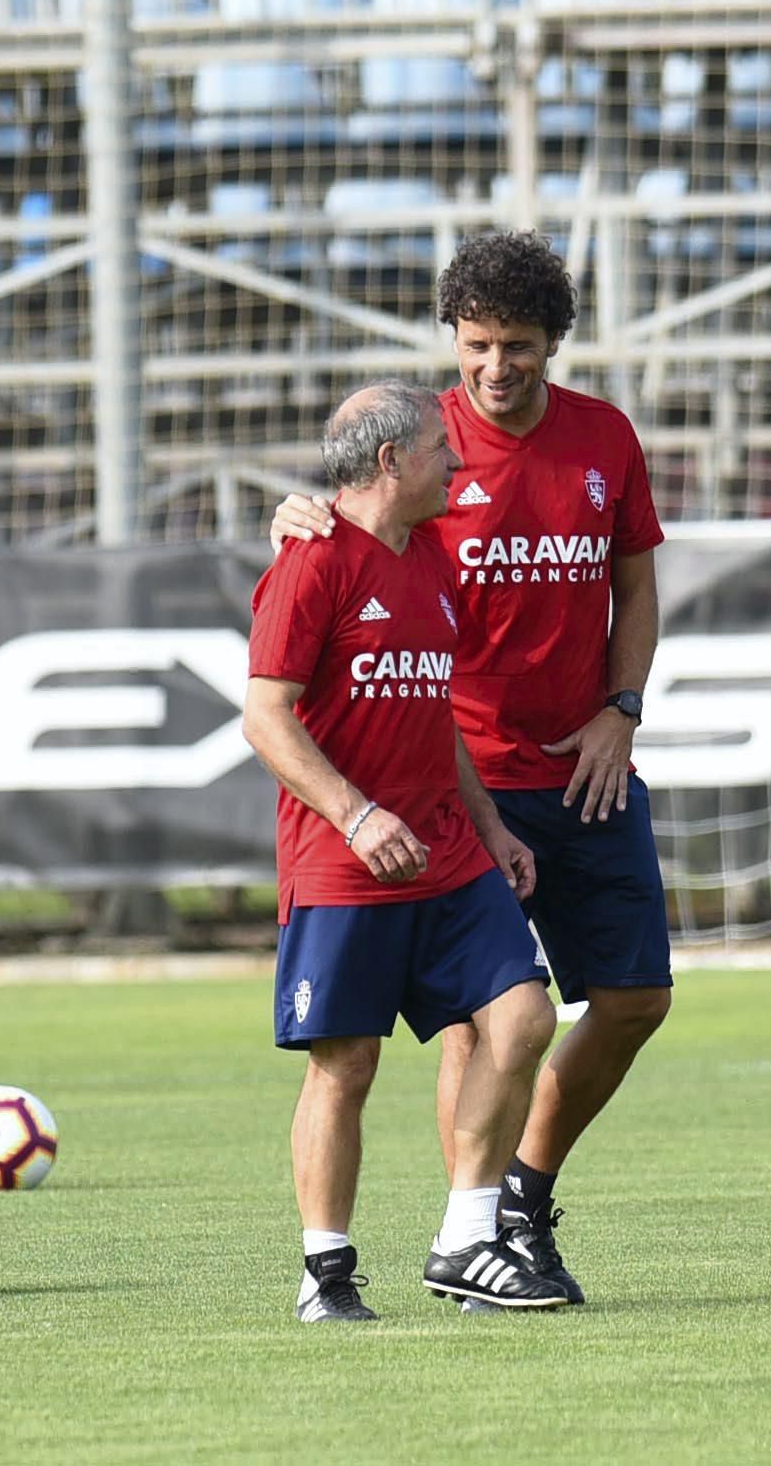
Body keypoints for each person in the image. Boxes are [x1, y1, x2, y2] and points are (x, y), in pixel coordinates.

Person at [271, 231, 672, 1307]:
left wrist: (620, 710)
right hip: (457, 782)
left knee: (636, 997)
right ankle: (475, 1233)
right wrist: (297, 513)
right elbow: (343, 530)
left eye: (522, 346)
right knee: (481, 1014)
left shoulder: (604, 440)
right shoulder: (416, 449)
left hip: (584, 767)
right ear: (454, 338)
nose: (498, 367)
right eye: (479, 344)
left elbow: (635, 594)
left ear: (555, 344)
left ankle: (517, 1195)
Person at [244, 378, 568, 1322]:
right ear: (391, 460)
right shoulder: (310, 563)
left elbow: (437, 720)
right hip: (345, 860)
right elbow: (266, 717)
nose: (456, 460)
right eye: (438, 446)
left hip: (450, 854)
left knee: (523, 1019)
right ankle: (325, 1274)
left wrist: (493, 826)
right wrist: (355, 815)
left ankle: (466, 1238)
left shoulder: (427, 554)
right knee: (346, 1065)